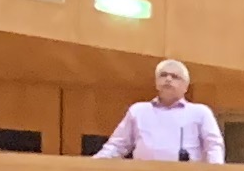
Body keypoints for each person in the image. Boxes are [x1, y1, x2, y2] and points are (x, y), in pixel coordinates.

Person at [93, 58, 223, 162]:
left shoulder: (200, 113)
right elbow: (117, 146)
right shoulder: (138, 111)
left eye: (175, 77)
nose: (168, 79)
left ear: (186, 87)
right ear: (156, 82)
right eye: (163, 75)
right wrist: (91, 165)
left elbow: (214, 147)